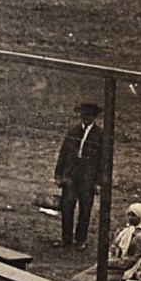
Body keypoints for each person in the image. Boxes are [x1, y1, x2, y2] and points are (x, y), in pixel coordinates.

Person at [71, 203, 141, 281]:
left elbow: (133, 260)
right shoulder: (126, 231)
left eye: (133, 215)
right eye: (129, 214)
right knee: (80, 278)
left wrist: (109, 262)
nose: (130, 218)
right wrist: (110, 257)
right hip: (115, 263)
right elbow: (114, 247)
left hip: (127, 269)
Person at [54, 101, 104, 248]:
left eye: (89, 115)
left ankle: (80, 240)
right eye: (83, 115)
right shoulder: (73, 131)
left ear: (94, 117)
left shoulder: (100, 135)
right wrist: (59, 174)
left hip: (88, 178)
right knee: (67, 206)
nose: (85, 118)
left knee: (85, 208)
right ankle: (66, 238)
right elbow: (63, 153)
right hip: (71, 176)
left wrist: (98, 182)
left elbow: (103, 160)